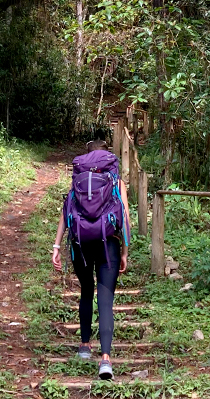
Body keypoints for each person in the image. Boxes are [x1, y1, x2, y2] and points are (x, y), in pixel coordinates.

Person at [52, 139, 130, 380]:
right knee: (105, 299)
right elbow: (125, 217)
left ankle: (85, 346)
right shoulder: (116, 181)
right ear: (107, 155)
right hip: (110, 245)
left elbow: (67, 211)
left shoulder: (78, 179)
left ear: (86, 156)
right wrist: (126, 251)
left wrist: (56, 245)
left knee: (86, 291)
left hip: (81, 243)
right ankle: (105, 360)